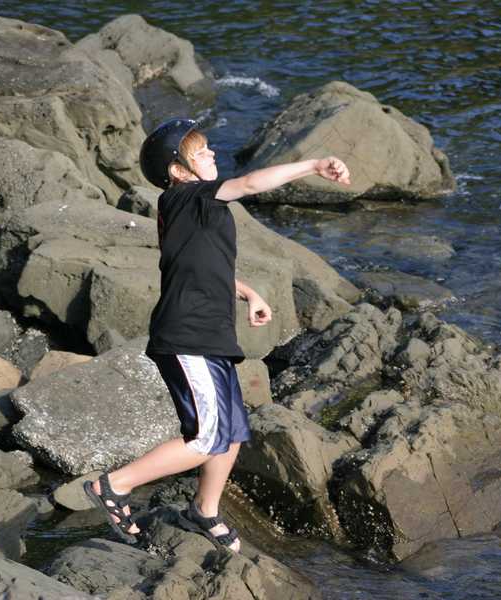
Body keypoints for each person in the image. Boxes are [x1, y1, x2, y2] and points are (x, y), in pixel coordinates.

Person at [84, 118, 351, 552]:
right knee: (208, 437)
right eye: (200, 151)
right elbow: (249, 183)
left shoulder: (192, 208)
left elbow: (200, 265)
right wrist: (313, 165)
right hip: (187, 335)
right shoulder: (186, 196)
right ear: (178, 170)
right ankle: (114, 486)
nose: (211, 153)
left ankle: (203, 511)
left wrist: (247, 292)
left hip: (211, 334)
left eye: (209, 147)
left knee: (232, 432)